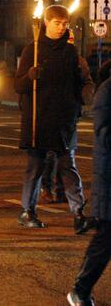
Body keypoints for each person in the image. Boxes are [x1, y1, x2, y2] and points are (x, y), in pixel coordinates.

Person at [15, 5, 91, 233]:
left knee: (68, 167)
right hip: (39, 119)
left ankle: (78, 212)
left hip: (63, 120)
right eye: (57, 23)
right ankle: (27, 210)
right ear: (46, 23)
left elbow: (79, 84)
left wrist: (79, 104)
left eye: (65, 23)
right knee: (36, 167)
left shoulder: (71, 52)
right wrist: (30, 76)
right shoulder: (33, 50)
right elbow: (18, 85)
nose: (62, 27)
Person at [67, 76, 111, 306]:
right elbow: (104, 132)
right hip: (109, 178)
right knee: (105, 239)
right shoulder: (107, 90)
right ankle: (80, 290)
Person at [41, 29, 94, 204]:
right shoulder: (51, 58)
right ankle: (46, 186)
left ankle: (62, 191)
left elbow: (87, 83)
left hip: (69, 114)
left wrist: (80, 100)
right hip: (51, 113)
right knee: (50, 155)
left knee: (67, 155)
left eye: (71, 39)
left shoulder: (79, 61)